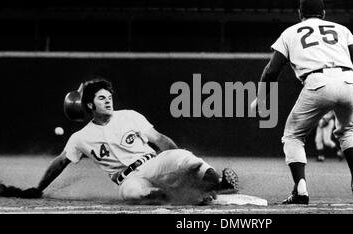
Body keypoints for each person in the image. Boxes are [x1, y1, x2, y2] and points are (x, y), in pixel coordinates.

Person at [13, 78, 239, 204]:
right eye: (102, 98)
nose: (108, 101)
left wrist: (177, 166)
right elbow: (60, 163)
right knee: (131, 193)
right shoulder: (80, 138)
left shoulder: (129, 115)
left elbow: (160, 140)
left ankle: (221, 184)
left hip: (153, 163)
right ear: (90, 105)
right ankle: (180, 196)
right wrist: (38, 187)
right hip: (127, 178)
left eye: (109, 97)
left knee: (186, 158)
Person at [251, 0, 353, 205]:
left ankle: (300, 190)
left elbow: (271, 71)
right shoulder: (341, 29)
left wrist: (261, 98)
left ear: (300, 14)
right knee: (348, 130)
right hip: (350, 81)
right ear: (324, 13)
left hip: (318, 81)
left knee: (293, 135)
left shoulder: (290, 32)